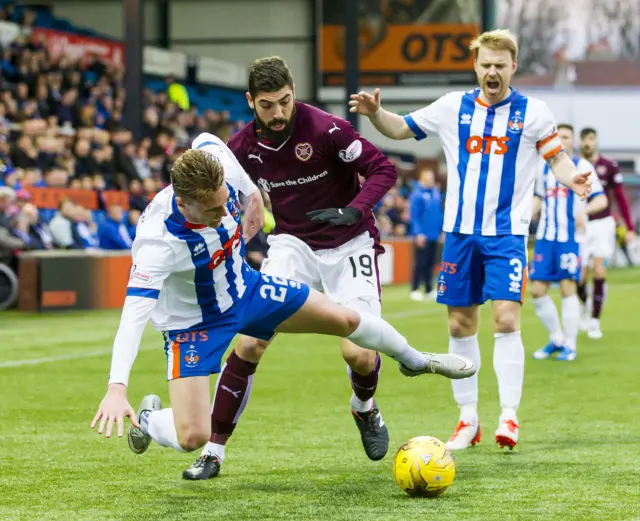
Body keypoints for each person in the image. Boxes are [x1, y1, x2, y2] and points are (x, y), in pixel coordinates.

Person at [90, 136, 476, 472]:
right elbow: (132, 317)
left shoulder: (215, 166)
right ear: (184, 203)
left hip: (247, 290)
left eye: (228, 201)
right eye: (213, 210)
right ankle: (148, 419)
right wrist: (116, 387)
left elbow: (208, 137)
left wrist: (253, 193)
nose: (225, 213)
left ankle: (415, 359)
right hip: (194, 324)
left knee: (344, 319)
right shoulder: (156, 244)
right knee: (193, 435)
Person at [349, 28, 592, 451]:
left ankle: (510, 416)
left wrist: (574, 179)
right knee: (460, 323)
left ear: (513, 66)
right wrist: (374, 114)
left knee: (505, 319)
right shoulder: (451, 107)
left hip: (507, 235)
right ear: (475, 66)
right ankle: (467, 419)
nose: (492, 71)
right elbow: (401, 129)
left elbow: (558, 158)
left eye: (500, 64)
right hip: (459, 234)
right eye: (485, 64)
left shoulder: (534, 112)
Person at [183, 56, 404, 480]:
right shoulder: (242, 148)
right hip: (291, 245)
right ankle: (213, 451)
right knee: (249, 344)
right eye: (268, 105)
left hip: (349, 244)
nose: (279, 112)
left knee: (358, 353)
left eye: (285, 101)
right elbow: (221, 197)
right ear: (251, 102)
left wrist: (354, 211)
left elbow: (383, 168)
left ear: (294, 91)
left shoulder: (325, 128)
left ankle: (364, 408)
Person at [529, 124, 608, 362]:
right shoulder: (542, 167)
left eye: (566, 137)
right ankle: (556, 339)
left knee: (567, 288)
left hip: (569, 239)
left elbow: (601, 200)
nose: (562, 141)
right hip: (545, 237)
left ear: (572, 142)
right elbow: (539, 198)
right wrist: (524, 218)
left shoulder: (583, 167)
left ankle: (570, 345)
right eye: (558, 137)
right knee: (537, 291)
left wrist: (585, 212)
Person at [578, 127, 635, 339]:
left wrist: (629, 228)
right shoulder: (575, 166)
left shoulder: (608, 166)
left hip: (602, 223)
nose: (587, 143)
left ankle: (594, 321)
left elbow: (619, 197)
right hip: (581, 226)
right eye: (584, 139)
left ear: (596, 141)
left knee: (600, 271)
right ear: (580, 141)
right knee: (579, 276)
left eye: (591, 139)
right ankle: (586, 305)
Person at [409, 168, 444, 301]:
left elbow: (439, 214)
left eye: (432, 178)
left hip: (434, 234)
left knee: (431, 263)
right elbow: (415, 216)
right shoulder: (417, 194)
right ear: (422, 179)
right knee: (420, 263)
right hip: (422, 235)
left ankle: (429, 288)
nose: (430, 181)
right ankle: (415, 288)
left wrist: (441, 230)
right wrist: (418, 233)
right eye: (428, 178)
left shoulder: (436, 193)